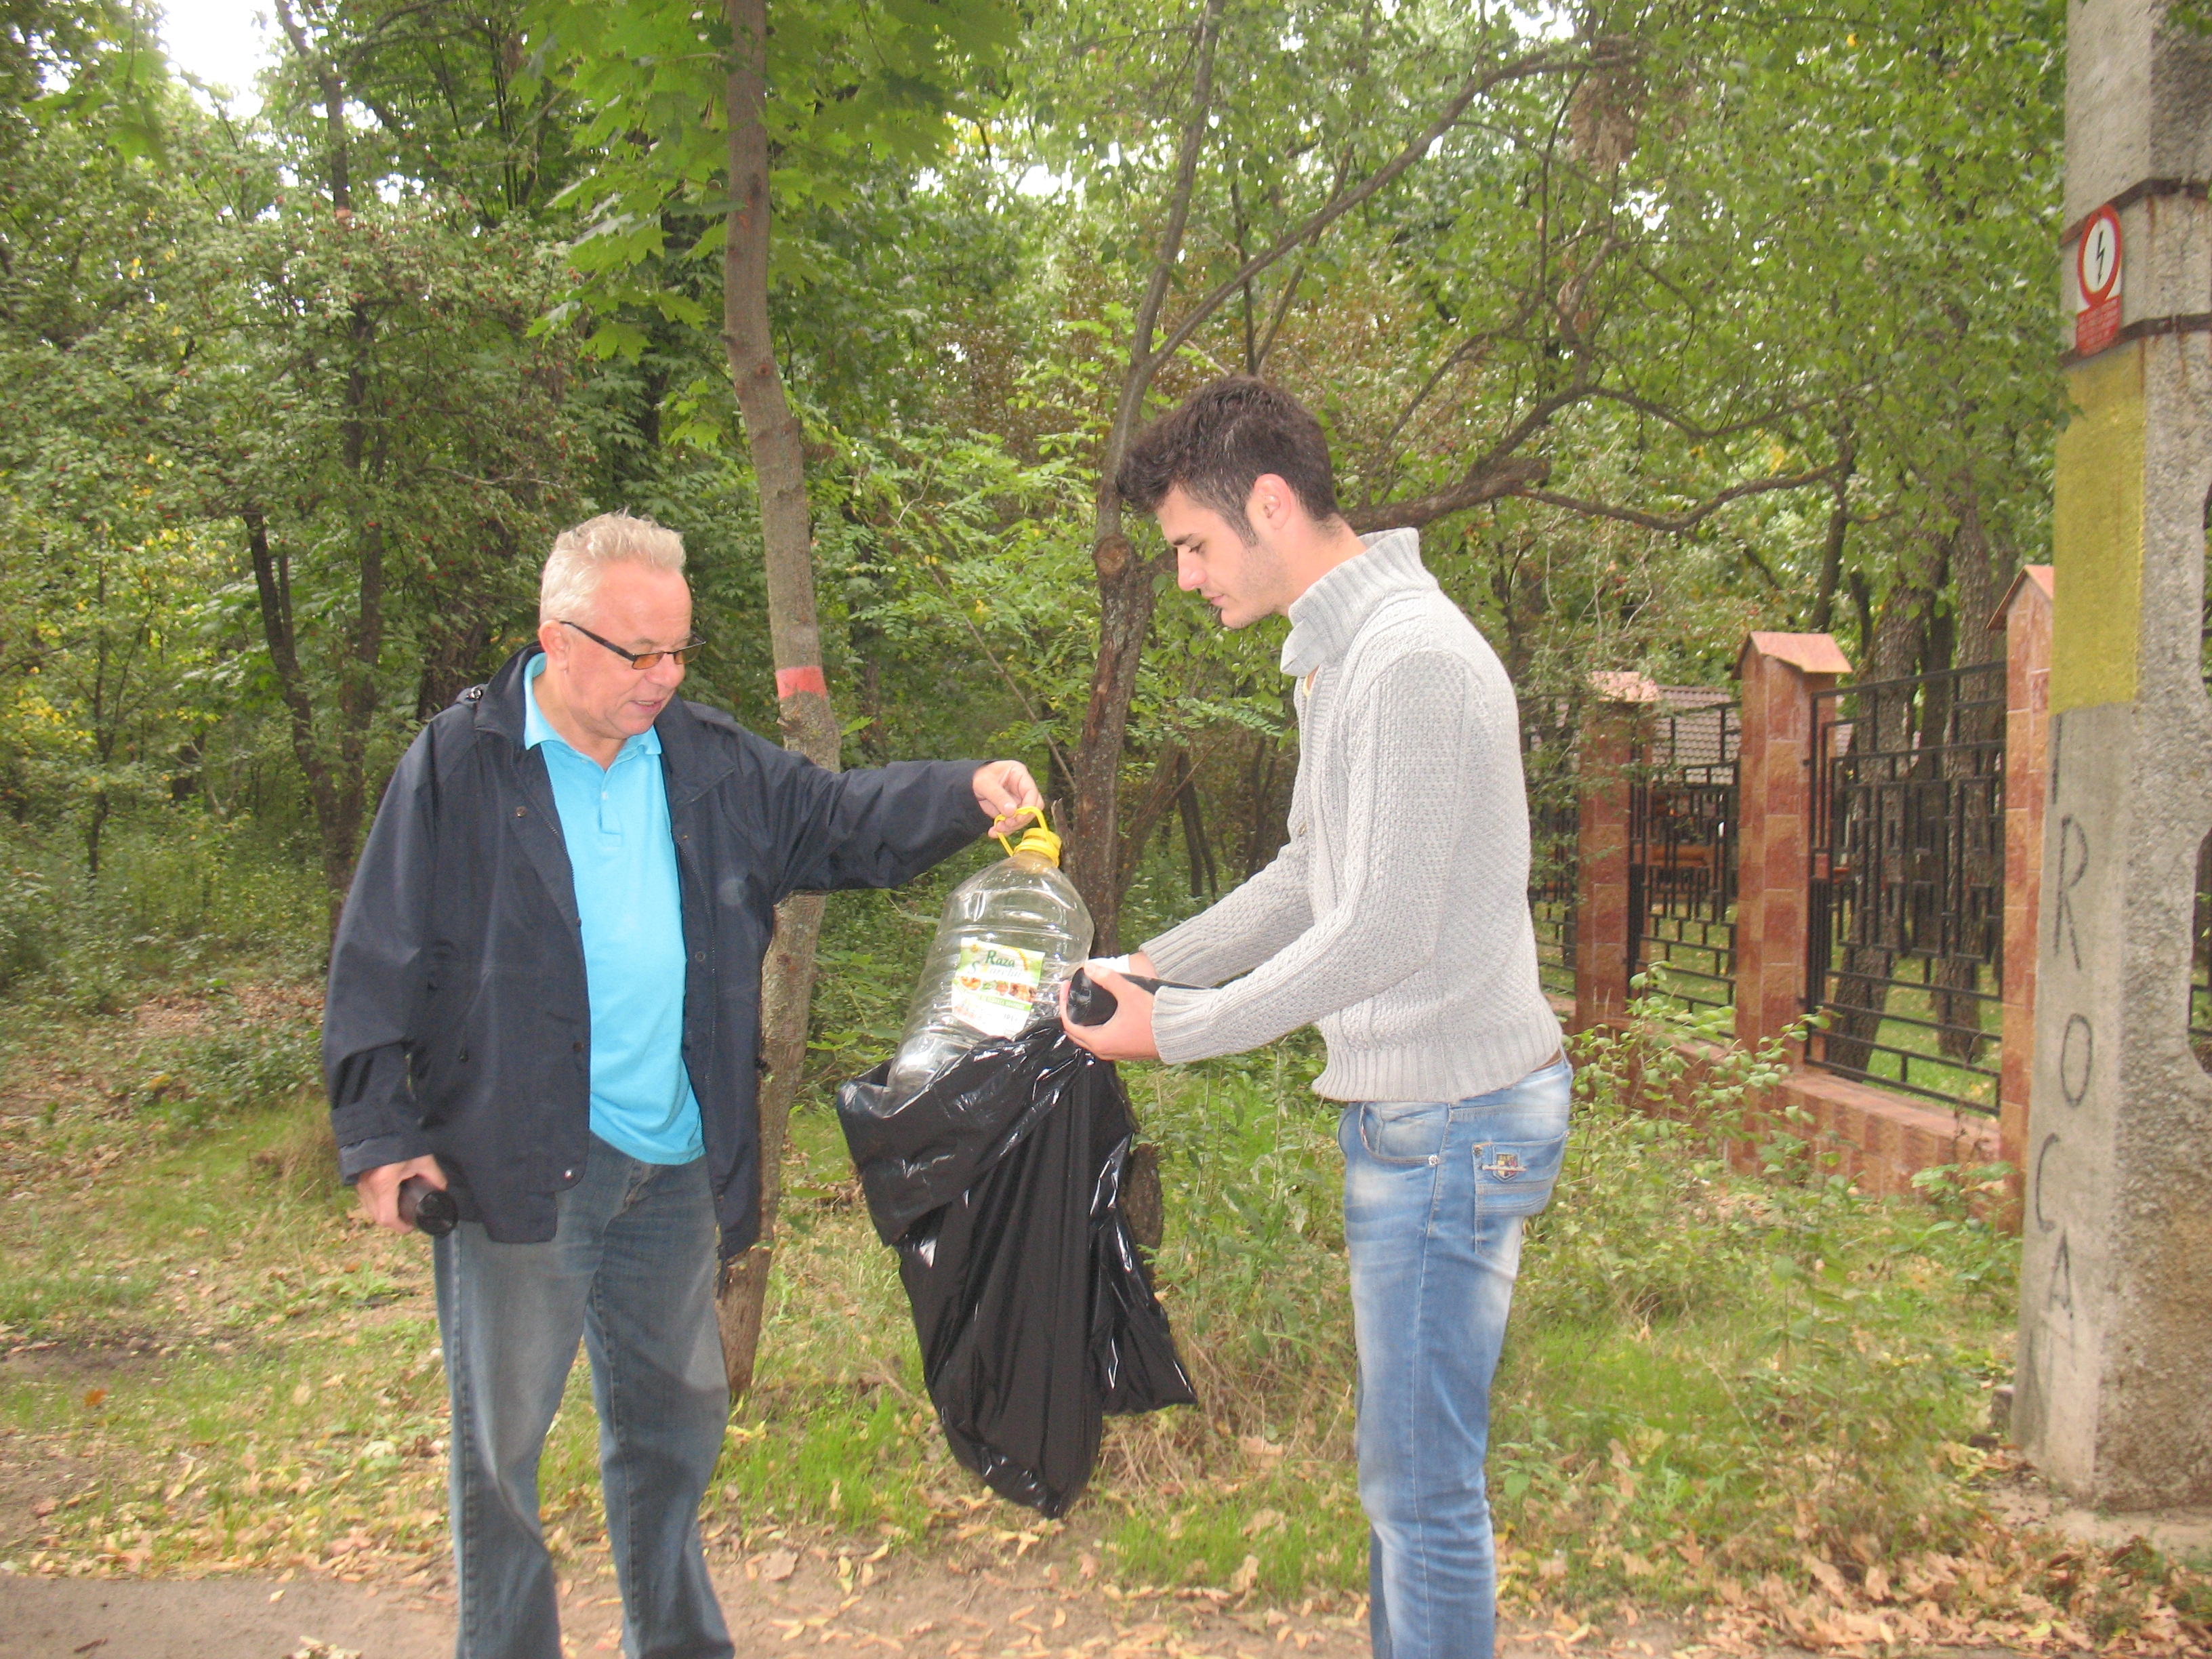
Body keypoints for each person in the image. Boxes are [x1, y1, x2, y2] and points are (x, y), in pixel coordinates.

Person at [323, 510, 1040, 1659]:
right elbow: (379, 954)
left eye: (678, 653)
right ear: (557, 641)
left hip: (671, 1166)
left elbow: (835, 818)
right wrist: (378, 1133)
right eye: (636, 653)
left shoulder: (706, 760)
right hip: (519, 1164)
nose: (662, 678)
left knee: (674, 1430)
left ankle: (677, 1640)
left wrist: (966, 792)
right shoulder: (461, 765)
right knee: (500, 1451)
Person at [1063, 379, 1567, 1659]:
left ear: (1270, 506)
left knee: (1424, 1495)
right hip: (1423, 1121)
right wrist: (1149, 967)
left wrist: (1173, 1032)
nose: (1183, 577)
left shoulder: (1408, 660)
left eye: (1193, 544)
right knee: (1407, 1486)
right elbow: (1307, 874)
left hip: (1452, 1126)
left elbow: (1380, 930)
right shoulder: (1348, 653)